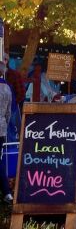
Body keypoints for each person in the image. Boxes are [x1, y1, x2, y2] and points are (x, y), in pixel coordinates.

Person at [0, 62, 13, 203]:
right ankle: (6, 192)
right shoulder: (7, 88)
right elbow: (9, 112)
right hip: (1, 128)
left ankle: (6, 192)